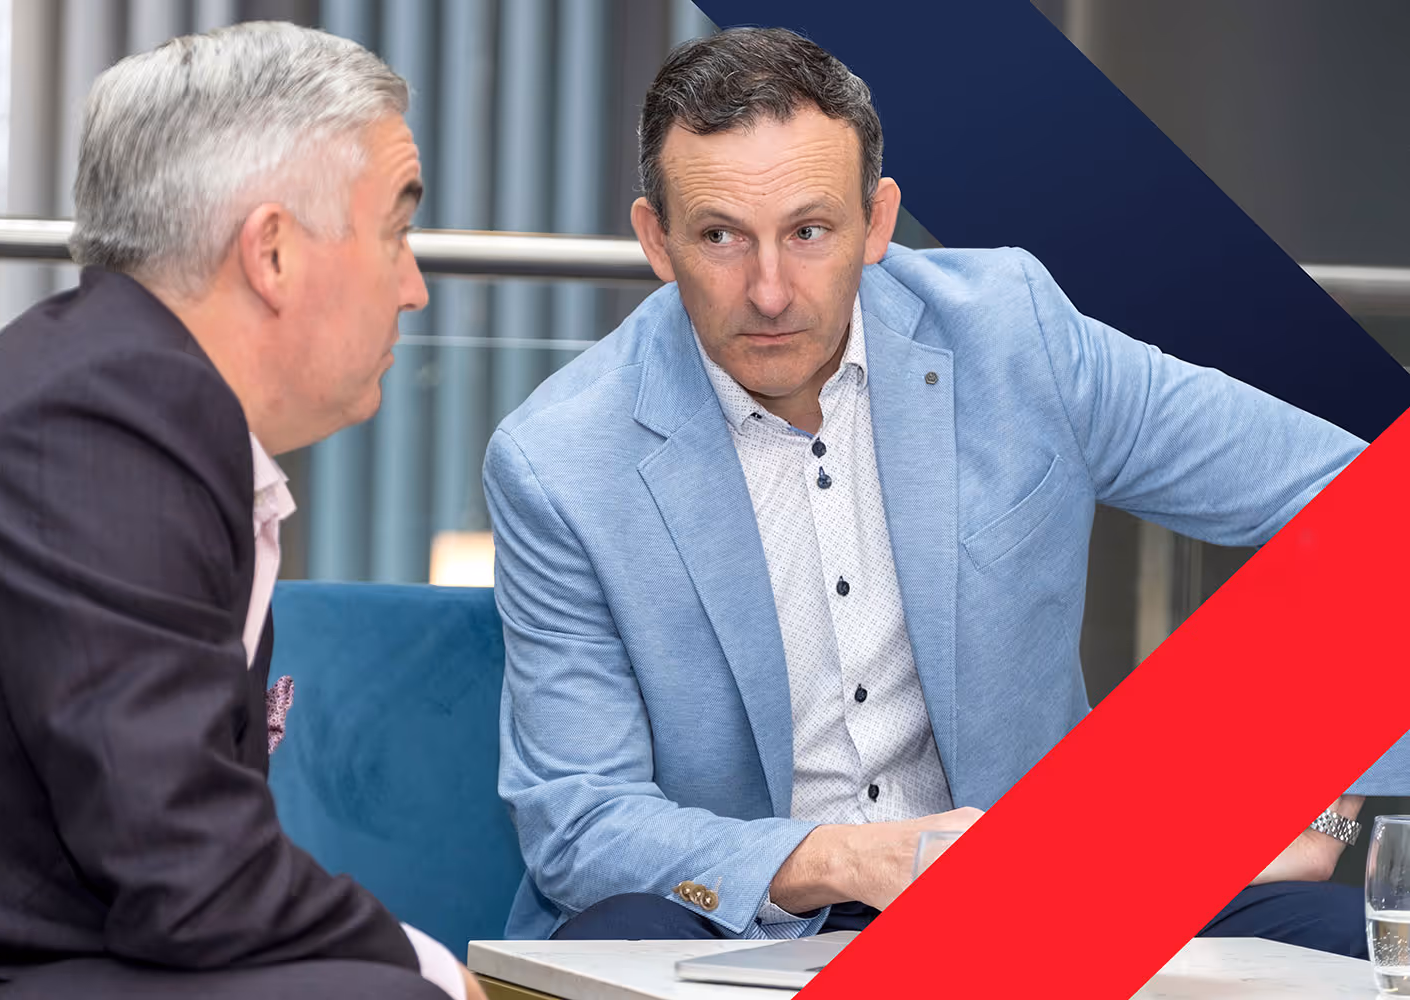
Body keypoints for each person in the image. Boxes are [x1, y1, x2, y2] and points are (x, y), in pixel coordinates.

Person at [485, 26, 1380, 953]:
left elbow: (1362, 501)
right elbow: (581, 827)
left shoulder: (1013, 334)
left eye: (809, 231)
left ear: (876, 223)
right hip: (746, 921)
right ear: (656, 240)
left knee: (1350, 941)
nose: (769, 291)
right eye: (720, 236)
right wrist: (849, 860)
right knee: (620, 934)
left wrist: (1321, 795)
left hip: (1050, 892)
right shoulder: (560, 463)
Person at [0, 22, 482, 1000]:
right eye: (395, 231)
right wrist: (432, 971)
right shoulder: (94, 425)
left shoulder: (117, 396)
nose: (415, 287)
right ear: (271, 252)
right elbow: (190, 873)